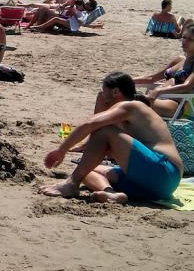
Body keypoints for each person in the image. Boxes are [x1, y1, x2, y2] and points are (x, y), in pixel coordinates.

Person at [39, 72, 183, 204]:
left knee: (105, 131)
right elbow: (96, 130)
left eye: (103, 92)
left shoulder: (131, 106)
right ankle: (111, 193)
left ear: (115, 92)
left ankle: (71, 184)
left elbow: (91, 124)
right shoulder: (123, 115)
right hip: (155, 187)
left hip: (165, 171)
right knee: (86, 170)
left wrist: (62, 150)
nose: (101, 95)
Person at [131, 23, 194, 118]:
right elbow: (151, 78)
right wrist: (125, 81)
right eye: (184, 37)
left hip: (174, 104)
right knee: (119, 95)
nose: (185, 42)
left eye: (190, 39)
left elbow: (187, 86)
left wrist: (159, 91)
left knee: (130, 103)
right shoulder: (179, 60)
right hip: (155, 98)